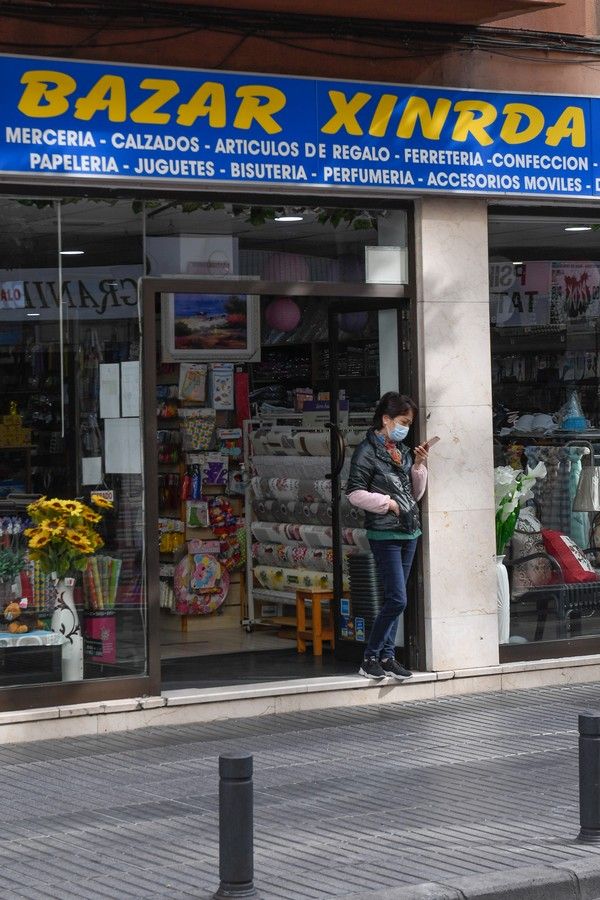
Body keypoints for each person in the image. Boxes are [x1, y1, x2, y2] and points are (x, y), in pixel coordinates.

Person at [346, 391, 428, 681]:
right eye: (403, 421)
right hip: (385, 533)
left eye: (409, 422)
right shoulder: (366, 451)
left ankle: (387, 656)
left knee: (395, 598)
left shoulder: (402, 452)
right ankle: (370, 656)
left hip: (409, 531)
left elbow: (414, 494)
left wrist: (418, 466)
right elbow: (354, 493)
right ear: (386, 419)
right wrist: (388, 504)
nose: (406, 427)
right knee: (397, 599)